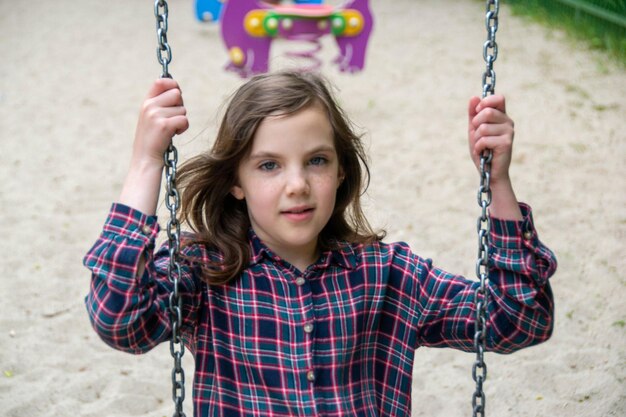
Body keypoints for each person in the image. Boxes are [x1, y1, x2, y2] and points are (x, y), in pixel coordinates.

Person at [84, 71, 557, 416]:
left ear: (341, 169)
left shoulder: (387, 275)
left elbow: (518, 320)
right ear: (235, 181)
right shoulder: (206, 271)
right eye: (269, 165)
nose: (297, 185)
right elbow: (119, 321)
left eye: (316, 160)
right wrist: (147, 163)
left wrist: (497, 184)